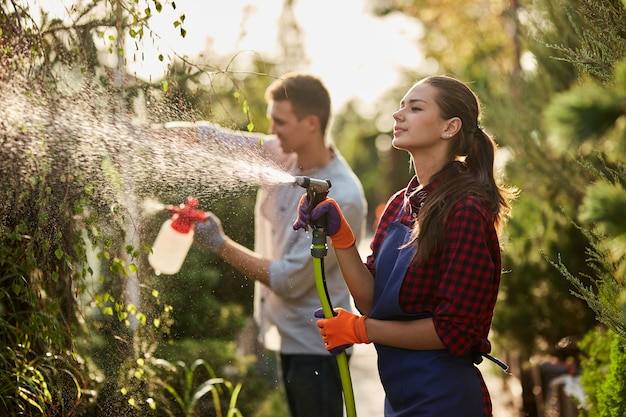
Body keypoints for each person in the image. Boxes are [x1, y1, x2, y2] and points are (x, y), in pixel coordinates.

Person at [294, 75, 517, 416]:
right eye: (401, 107)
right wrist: (341, 238)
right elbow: (371, 300)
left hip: (445, 400)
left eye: (415, 108)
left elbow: (453, 330)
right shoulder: (402, 203)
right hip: (399, 400)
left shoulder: (466, 210)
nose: (399, 115)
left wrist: (360, 330)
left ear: (449, 127)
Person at [192, 73, 367, 417]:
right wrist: (143, 135)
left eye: (280, 121)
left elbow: (289, 280)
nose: (271, 131)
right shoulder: (283, 153)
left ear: (311, 123)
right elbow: (214, 140)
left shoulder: (343, 195)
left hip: (316, 348)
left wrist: (220, 243)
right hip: (287, 337)